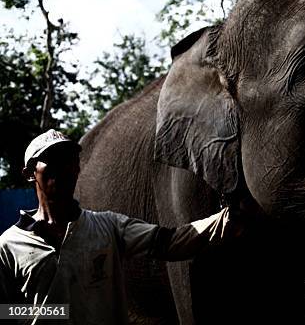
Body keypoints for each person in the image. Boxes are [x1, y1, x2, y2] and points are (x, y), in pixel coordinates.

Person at [0, 129, 243, 324]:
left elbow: (171, 242)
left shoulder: (108, 226)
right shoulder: (9, 245)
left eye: (70, 160)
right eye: (52, 160)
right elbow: (5, 311)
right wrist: (59, 312)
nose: (64, 167)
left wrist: (230, 216)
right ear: (30, 174)